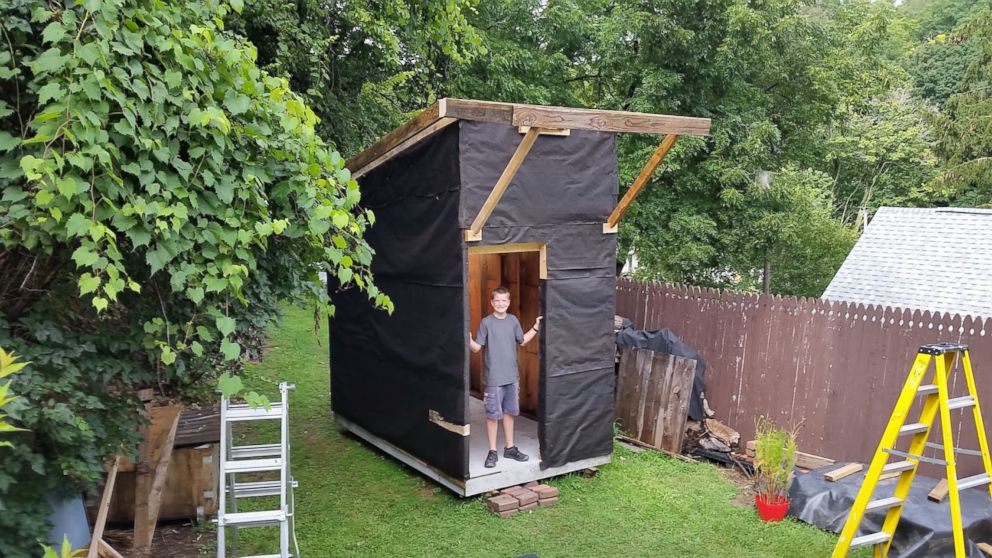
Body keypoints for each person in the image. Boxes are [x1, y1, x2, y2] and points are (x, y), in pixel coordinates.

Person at [469, 286, 542, 468]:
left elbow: (523, 341)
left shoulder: (513, 321)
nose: (500, 304)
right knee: (493, 415)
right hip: (494, 378)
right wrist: (467, 338)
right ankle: (492, 451)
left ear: (508, 303)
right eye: (497, 301)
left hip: (511, 377)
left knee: (510, 413)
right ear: (492, 302)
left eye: (504, 301)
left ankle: (510, 448)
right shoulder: (486, 323)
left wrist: (535, 327)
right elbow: (477, 348)